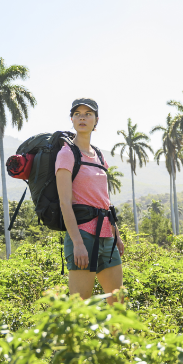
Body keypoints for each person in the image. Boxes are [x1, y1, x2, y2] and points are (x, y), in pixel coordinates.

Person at [57, 97, 125, 304]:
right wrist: (77, 243)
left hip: (107, 236)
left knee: (119, 304)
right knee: (79, 308)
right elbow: (65, 202)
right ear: (72, 119)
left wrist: (117, 235)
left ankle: (117, 338)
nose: (82, 118)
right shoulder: (66, 154)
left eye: (88, 114)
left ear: (96, 120)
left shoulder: (99, 156)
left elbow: (105, 200)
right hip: (83, 236)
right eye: (77, 114)